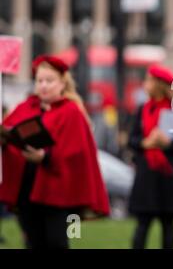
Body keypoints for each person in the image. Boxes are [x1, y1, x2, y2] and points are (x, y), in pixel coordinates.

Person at [0, 55, 110, 249]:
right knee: (33, 242)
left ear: (62, 83)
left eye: (49, 81)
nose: (43, 85)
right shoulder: (27, 107)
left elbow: (76, 152)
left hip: (57, 192)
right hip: (27, 189)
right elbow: (10, 132)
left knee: (56, 242)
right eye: (39, 80)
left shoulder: (71, 111)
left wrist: (46, 157)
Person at [128, 64, 173, 249]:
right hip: (146, 174)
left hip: (168, 176)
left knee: (168, 226)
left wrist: (169, 143)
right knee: (142, 226)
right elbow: (132, 139)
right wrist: (144, 143)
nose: (144, 83)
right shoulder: (143, 109)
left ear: (159, 84)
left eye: (149, 80)